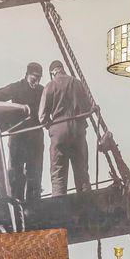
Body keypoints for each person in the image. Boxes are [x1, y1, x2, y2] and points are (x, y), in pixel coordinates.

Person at [0, 62, 44, 204]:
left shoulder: (43, 91)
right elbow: (1, 94)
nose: (36, 82)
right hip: (18, 135)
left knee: (35, 172)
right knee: (15, 172)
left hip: (35, 136)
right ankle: (17, 202)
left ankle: (34, 204)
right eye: (33, 79)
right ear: (26, 75)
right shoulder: (17, 87)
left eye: (39, 79)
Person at [40, 59, 93, 195]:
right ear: (62, 69)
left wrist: (51, 126)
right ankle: (87, 208)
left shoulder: (50, 86)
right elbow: (88, 108)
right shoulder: (77, 83)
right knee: (82, 175)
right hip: (78, 132)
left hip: (59, 134)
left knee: (58, 176)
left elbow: (42, 117)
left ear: (52, 73)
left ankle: (58, 211)